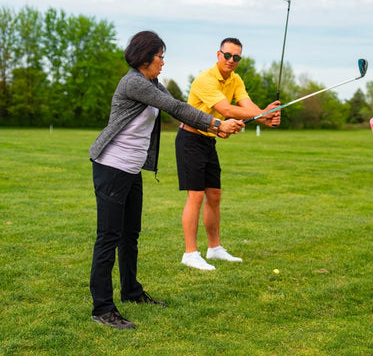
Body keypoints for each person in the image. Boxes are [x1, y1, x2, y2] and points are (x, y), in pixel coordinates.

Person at [88, 31, 244, 330]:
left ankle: (131, 291)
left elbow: (180, 109)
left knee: (130, 234)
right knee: (109, 236)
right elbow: (175, 108)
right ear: (145, 58)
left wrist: (216, 128)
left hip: (131, 170)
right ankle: (102, 307)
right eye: (160, 56)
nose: (163, 62)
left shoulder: (152, 83)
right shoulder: (134, 82)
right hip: (111, 167)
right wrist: (216, 122)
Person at [175, 37, 281, 271]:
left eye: (237, 57)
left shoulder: (235, 79)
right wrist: (263, 116)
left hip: (209, 140)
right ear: (218, 54)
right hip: (190, 140)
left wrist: (264, 116)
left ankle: (214, 249)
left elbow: (245, 104)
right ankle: (190, 253)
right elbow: (226, 109)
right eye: (227, 55)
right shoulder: (205, 79)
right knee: (196, 197)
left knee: (214, 195)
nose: (231, 60)